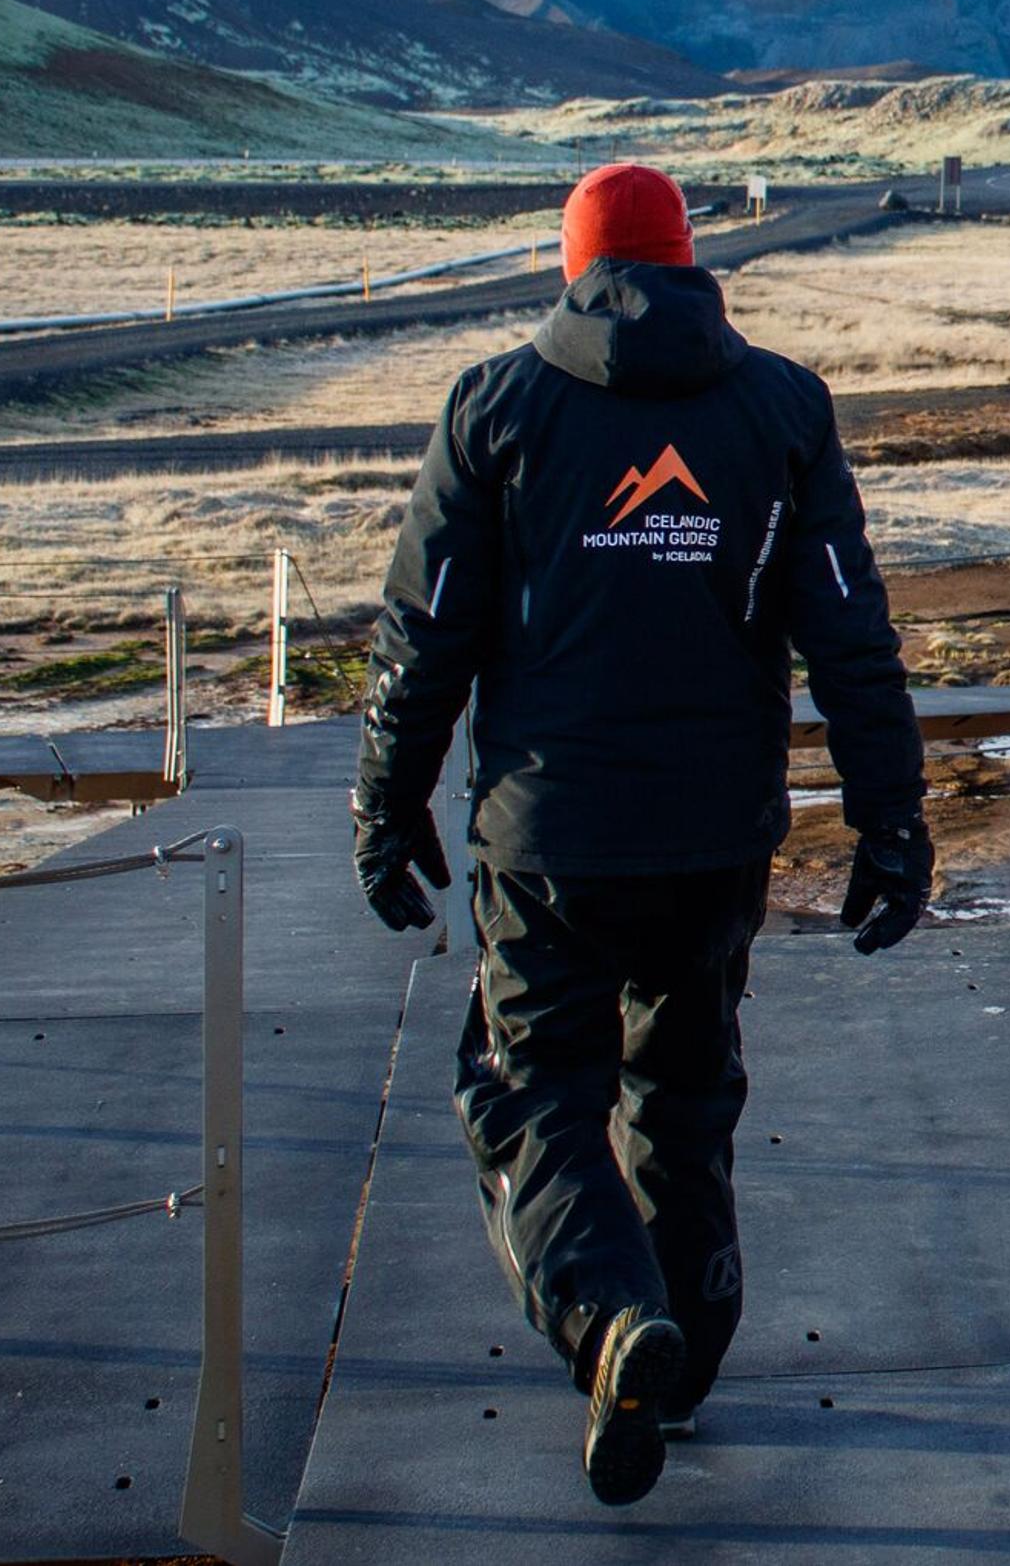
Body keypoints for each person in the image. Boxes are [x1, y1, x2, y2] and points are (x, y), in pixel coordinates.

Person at [348, 161, 930, 1508]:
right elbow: (850, 631)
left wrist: (386, 806)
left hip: (546, 837)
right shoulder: (779, 407)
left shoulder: (498, 407)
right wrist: (891, 824)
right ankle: (687, 1344)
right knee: (683, 1084)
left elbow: (421, 634)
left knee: (527, 1084)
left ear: (575, 266)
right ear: (686, 262)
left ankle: (615, 1323)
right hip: (717, 837)